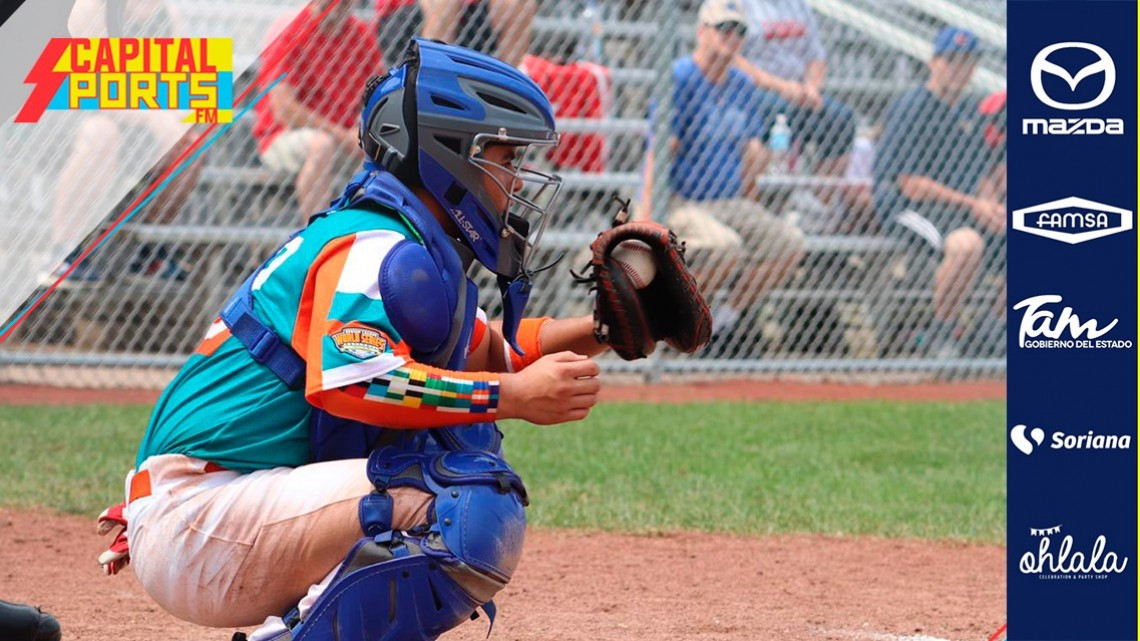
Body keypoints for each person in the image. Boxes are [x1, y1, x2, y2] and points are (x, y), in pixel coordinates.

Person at [97, 39, 618, 641]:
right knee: (464, 502)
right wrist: (513, 397)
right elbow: (361, 383)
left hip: (221, 506)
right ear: (449, 155)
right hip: (200, 512)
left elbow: (494, 353)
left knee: (457, 474)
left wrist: (609, 330)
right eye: (505, 157)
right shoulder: (373, 246)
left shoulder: (400, 241)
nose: (517, 179)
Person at [638, 0, 804, 351]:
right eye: (723, 28)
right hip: (682, 199)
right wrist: (647, 214)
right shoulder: (681, 76)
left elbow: (749, 153)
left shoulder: (741, 84)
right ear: (702, 32)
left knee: (789, 244)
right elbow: (660, 150)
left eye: (739, 30)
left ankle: (720, 322)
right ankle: (667, 324)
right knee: (725, 247)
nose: (732, 36)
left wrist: (756, 181)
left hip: (729, 200)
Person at [43, 0, 200, 283]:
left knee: (190, 142)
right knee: (102, 133)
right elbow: (92, 92)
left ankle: (149, 252)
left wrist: (179, 117)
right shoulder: (90, 10)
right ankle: (62, 250)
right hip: (61, 116)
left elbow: (184, 86)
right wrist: (155, 116)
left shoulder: (167, 15)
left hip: (132, 120)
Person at [873, 27, 1004, 357]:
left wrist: (991, 205)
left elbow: (980, 171)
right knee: (966, 245)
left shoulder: (970, 110)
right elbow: (911, 185)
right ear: (934, 63)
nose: (959, 69)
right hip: (905, 206)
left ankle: (991, 331)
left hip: (956, 208)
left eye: (966, 62)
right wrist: (973, 203)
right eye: (951, 61)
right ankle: (940, 332)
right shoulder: (912, 106)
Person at [254, 0, 384, 222]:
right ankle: (317, 234)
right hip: (283, 134)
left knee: (383, 149)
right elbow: (285, 110)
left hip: (346, 138)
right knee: (322, 146)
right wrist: (343, 135)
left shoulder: (360, 34)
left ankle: (363, 230)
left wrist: (360, 127)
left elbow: (378, 95)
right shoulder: (291, 30)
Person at [730, 0, 857, 184]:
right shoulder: (741, 4)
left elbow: (816, 57)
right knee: (777, 110)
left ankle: (820, 197)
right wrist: (782, 87)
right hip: (755, 89)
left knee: (841, 118)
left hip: (799, 92)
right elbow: (734, 59)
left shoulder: (799, 4)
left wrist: (811, 88)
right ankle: (759, 192)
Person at [375, 0, 535, 71]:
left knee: (518, 3)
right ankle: (431, 82)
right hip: (405, 14)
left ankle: (508, 88)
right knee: (445, 3)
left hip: (469, 14)